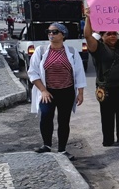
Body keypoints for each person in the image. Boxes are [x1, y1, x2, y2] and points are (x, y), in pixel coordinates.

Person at [28, 23, 86, 160]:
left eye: (55, 32)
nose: (51, 34)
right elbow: (33, 72)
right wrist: (43, 90)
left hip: (66, 91)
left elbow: (79, 73)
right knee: (46, 115)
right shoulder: (41, 51)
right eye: (49, 32)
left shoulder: (71, 52)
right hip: (47, 91)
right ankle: (46, 145)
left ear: (63, 35)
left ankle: (62, 150)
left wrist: (81, 93)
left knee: (64, 120)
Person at [84, 9, 119, 147]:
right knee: (107, 115)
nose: (113, 36)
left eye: (115, 33)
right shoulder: (98, 48)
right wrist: (88, 18)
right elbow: (88, 36)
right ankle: (108, 139)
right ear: (102, 36)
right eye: (109, 34)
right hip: (106, 88)